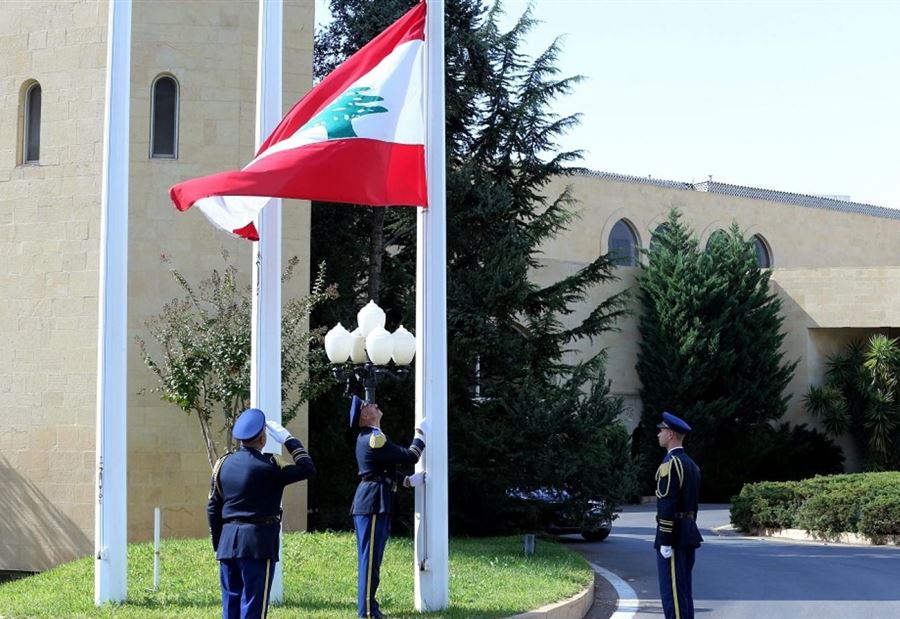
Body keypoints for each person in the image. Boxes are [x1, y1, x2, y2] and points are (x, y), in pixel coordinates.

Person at [207, 407, 316, 619]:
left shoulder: (222, 464)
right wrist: (289, 439)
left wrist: (218, 545)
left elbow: (212, 507)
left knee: (231, 605)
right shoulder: (271, 465)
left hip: (228, 543)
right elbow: (308, 468)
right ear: (263, 437)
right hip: (258, 542)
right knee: (254, 606)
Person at [349, 395, 427, 619]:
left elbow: (382, 468)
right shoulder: (374, 438)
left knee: (373, 560)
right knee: (370, 560)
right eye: (368, 405)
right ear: (365, 415)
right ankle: (366, 612)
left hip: (374, 502)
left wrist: (406, 481)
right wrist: (420, 436)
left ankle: (369, 607)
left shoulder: (373, 437)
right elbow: (410, 456)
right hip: (372, 503)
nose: (373, 404)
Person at [654, 411, 702, 619]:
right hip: (688, 531)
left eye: (662, 431)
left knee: (672, 592)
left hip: (673, 536)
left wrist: (665, 539)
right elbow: (693, 505)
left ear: (671, 434)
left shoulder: (671, 464)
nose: (658, 435)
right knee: (683, 590)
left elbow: (668, 504)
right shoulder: (691, 464)